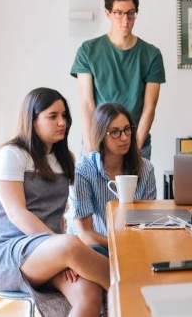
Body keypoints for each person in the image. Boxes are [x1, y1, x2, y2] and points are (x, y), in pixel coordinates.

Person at [0, 88, 108, 315]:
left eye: (65, 116)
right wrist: (61, 248)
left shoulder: (64, 159)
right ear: (33, 119)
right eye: (53, 116)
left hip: (51, 252)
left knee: (89, 293)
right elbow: (17, 213)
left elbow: (59, 215)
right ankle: (137, 292)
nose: (62, 122)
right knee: (71, 244)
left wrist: (61, 252)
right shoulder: (11, 154)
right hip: (7, 254)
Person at [71, 0, 165, 159]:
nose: (125, 19)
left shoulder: (152, 55)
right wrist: (90, 146)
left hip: (136, 144)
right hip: (98, 144)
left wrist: (134, 151)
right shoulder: (88, 51)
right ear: (108, 13)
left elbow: (149, 108)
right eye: (119, 13)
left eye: (131, 13)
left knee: (136, 187)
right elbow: (87, 103)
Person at [67, 102, 157, 255]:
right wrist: (121, 245)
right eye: (115, 132)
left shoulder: (146, 169)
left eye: (127, 130)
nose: (124, 138)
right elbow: (86, 235)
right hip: (93, 248)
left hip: (133, 245)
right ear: (101, 135)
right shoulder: (83, 171)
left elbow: (147, 223)